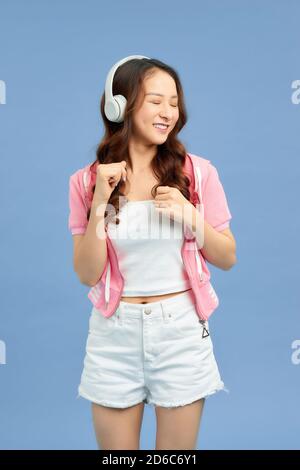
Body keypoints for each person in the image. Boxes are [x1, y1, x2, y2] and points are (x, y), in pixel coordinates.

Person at [68, 55, 237, 450]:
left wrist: (191, 215)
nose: (168, 113)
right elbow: (86, 274)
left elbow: (227, 256)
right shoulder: (86, 181)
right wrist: (99, 203)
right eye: (155, 101)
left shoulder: (198, 172)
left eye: (174, 102)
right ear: (120, 106)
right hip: (113, 335)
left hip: (179, 331)